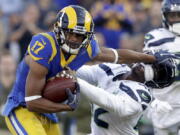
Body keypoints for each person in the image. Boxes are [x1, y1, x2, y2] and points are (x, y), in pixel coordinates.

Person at [1, 5, 175, 135]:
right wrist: (67, 107)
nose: (75, 39)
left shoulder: (88, 48)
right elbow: (32, 101)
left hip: (48, 113)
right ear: (59, 29)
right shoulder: (44, 46)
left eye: (80, 35)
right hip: (23, 107)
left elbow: (117, 55)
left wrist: (150, 58)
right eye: (70, 33)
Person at [76, 58, 176, 135]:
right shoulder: (116, 68)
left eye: (156, 70)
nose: (148, 66)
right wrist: (63, 67)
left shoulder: (143, 94)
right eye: (152, 63)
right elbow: (76, 71)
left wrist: (76, 81)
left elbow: (116, 105)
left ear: (156, 81)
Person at [143, 0, 180, 134]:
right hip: (163, 102)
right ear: (165, 16)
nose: (177, 20)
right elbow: (154, 69)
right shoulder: (155, 37)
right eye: (173, 15)